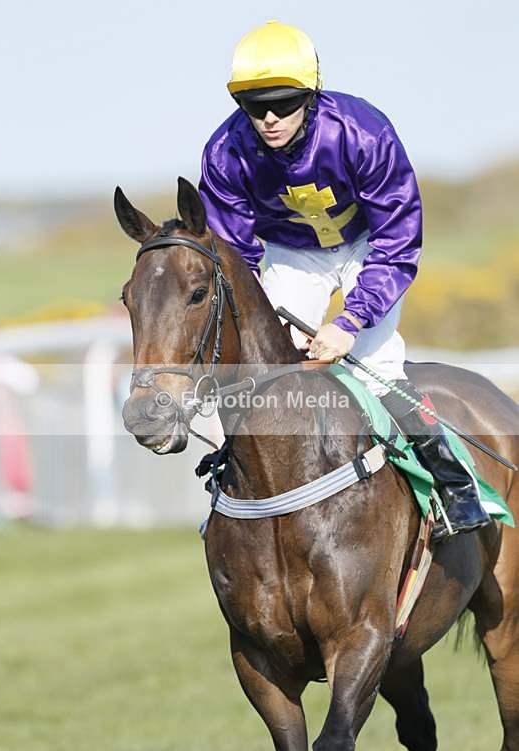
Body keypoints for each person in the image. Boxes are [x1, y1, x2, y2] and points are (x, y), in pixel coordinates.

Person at [198, 20, 490, 538]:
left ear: (311, 94)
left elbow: (398, 239)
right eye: (253, 105)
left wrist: (350, 320)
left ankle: (453, 486)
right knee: (265, 365)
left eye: (283, 103)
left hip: (367, 247)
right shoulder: (226, 153)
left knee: (377, 364)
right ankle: (243, 488)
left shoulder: (364, 132)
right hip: (292, 253)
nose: (268, 118)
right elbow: (234, 254)